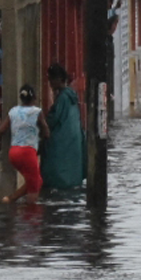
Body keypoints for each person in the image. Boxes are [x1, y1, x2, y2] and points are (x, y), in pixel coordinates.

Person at [40, 63, 85, 191]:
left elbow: (52, 120)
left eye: (51, 80)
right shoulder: (72, 97)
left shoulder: (63, 99)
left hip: (61, 144)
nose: (50, 83)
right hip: (73, 142)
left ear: (59, 79)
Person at [0, 84, 44, 204]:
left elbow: (0, 130)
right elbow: (47, 131)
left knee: (35, 181)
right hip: (28, 152)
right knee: (34, 186)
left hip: (14, 153)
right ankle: (31, 215)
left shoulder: (13, 111)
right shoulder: (37, 112)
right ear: (35, 98)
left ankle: (10, 199)